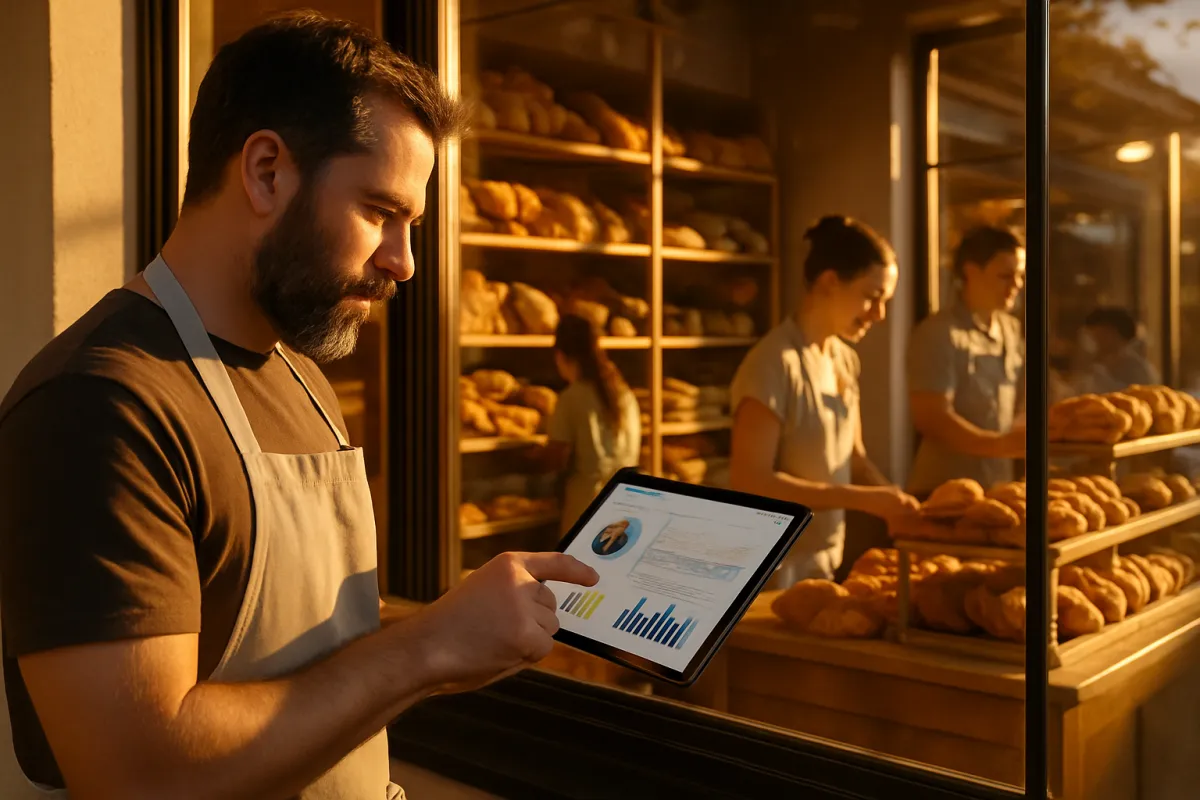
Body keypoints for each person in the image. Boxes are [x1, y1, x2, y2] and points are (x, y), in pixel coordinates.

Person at [0, 13, 597, 799]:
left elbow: (310, 668)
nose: (404, 262)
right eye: (381, 212)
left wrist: (461, 633)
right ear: (267, 172)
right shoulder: (100, 403)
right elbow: (138, 776)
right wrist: (427, 648)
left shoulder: (305, 381)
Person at [729, 215, 919, 586]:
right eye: (871, 297)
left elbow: (854, 458)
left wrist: (894, 501)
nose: (879, 315)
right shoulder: (773, 364)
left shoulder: (844, 359)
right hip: (770, 568)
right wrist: (862, 501)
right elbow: (751, 480)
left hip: (824, 560)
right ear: (830, 282)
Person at [907, 225, 1027, 498]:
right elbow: (932, 418)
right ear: (971, 272)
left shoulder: (1011, 329)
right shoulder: (939, 333)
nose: (1017, 285)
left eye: (1020, 276)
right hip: (942, 492)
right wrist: (999, 446)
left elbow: (1020, 405)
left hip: (998, 488)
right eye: (1005, 276)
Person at [540, 314, 641, 534]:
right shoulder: (624, 394)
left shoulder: (572, 397)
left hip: (586, 508)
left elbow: (557, 457)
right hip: (626, 506)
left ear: (560, 356)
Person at [1075, 306, 1160, 393]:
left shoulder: (1137, 368)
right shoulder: (1100, 365)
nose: (1096, 341)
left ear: (1115, 333)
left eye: (1102, 334)